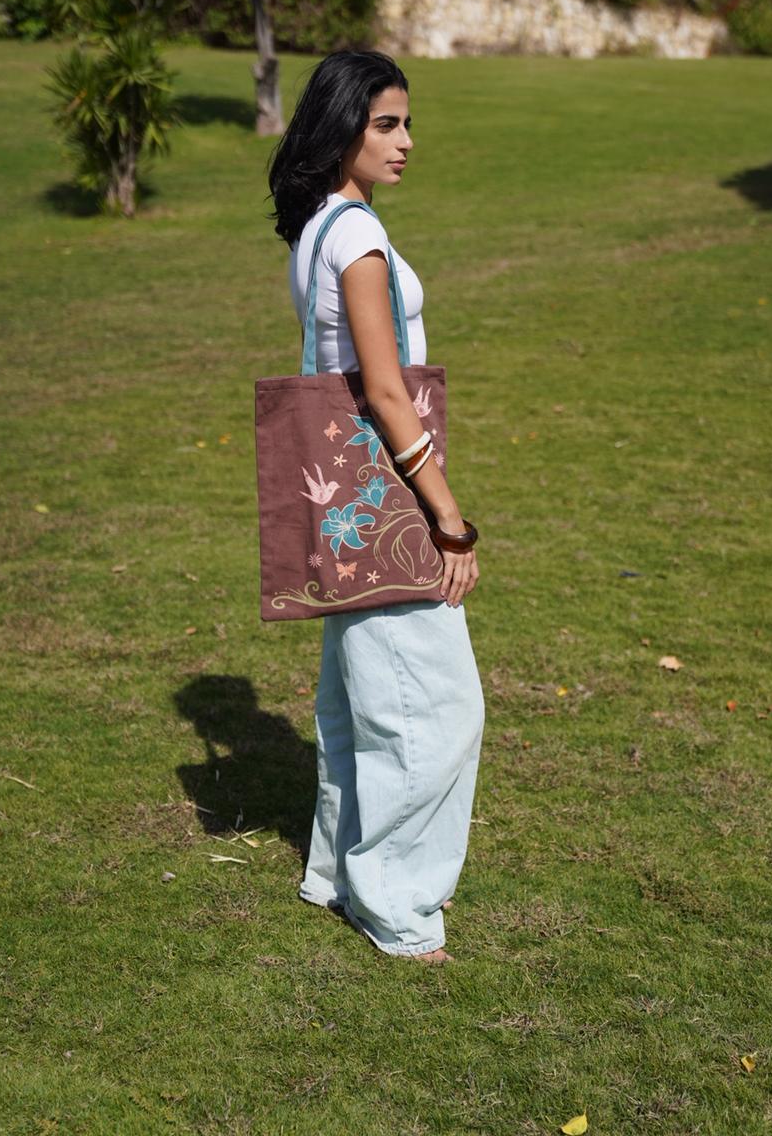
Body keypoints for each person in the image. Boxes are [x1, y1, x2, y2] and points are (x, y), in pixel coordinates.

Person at [268, 51, 484, 963]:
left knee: (358, 700)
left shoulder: (320, 225)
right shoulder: (356, 241)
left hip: (341, 497)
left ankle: (338, 871)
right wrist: (448, 518)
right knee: (433, 708)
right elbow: (385, 393)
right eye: (386, 124)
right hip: (382, 498)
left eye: (407, 123)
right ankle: (393, 900)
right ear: (343, 126)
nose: (405, 142)